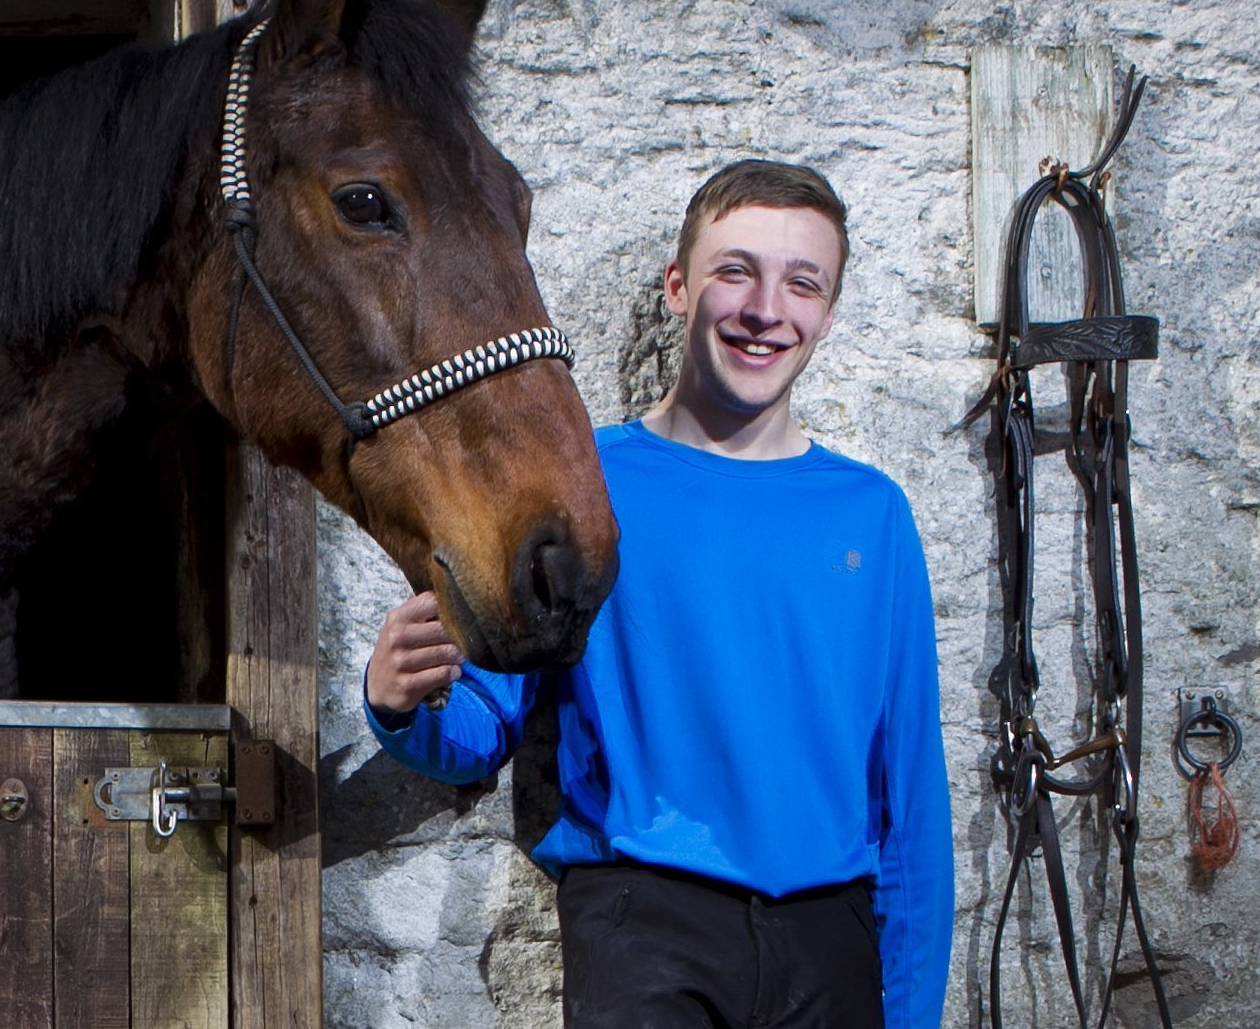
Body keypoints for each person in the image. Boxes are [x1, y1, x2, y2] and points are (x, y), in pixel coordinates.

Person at [364, 160, 953, 1028]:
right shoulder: (583, 482)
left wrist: (909, 1014)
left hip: (833, 934)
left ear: (828, 311)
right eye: (735, 270)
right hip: (645, 923)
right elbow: (484, 722)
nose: (765, 309)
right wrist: (400, 704)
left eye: (802, 283)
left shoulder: (872, 514)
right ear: (679, 287)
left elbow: (911, 795)